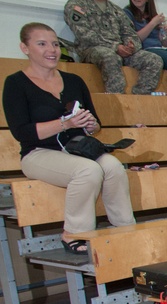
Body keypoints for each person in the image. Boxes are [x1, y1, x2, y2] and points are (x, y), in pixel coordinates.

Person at [4, 22, 136, 254]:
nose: (52, 50)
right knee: (88, 170)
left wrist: (91, 125)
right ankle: (75, 233)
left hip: (77, 149)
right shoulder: (15, 84)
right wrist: (65, 124)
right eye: (42, 44)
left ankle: (124, 227)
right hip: (38, 154)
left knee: (114, 167)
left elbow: (93, 123)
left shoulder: (74, 81)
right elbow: (22, 132)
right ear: (25, 48)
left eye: (55, 44)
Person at [63, 0, 163, 95]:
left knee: (154, 59)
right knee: (110, 56)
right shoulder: (76, 5)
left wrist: (130, 46)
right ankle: (116, 100)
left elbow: (130, 33)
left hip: (121, 51)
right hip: (92, 51)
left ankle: (138, 98)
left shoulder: (116, 10)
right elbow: (84, 34)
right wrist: (116, 47)